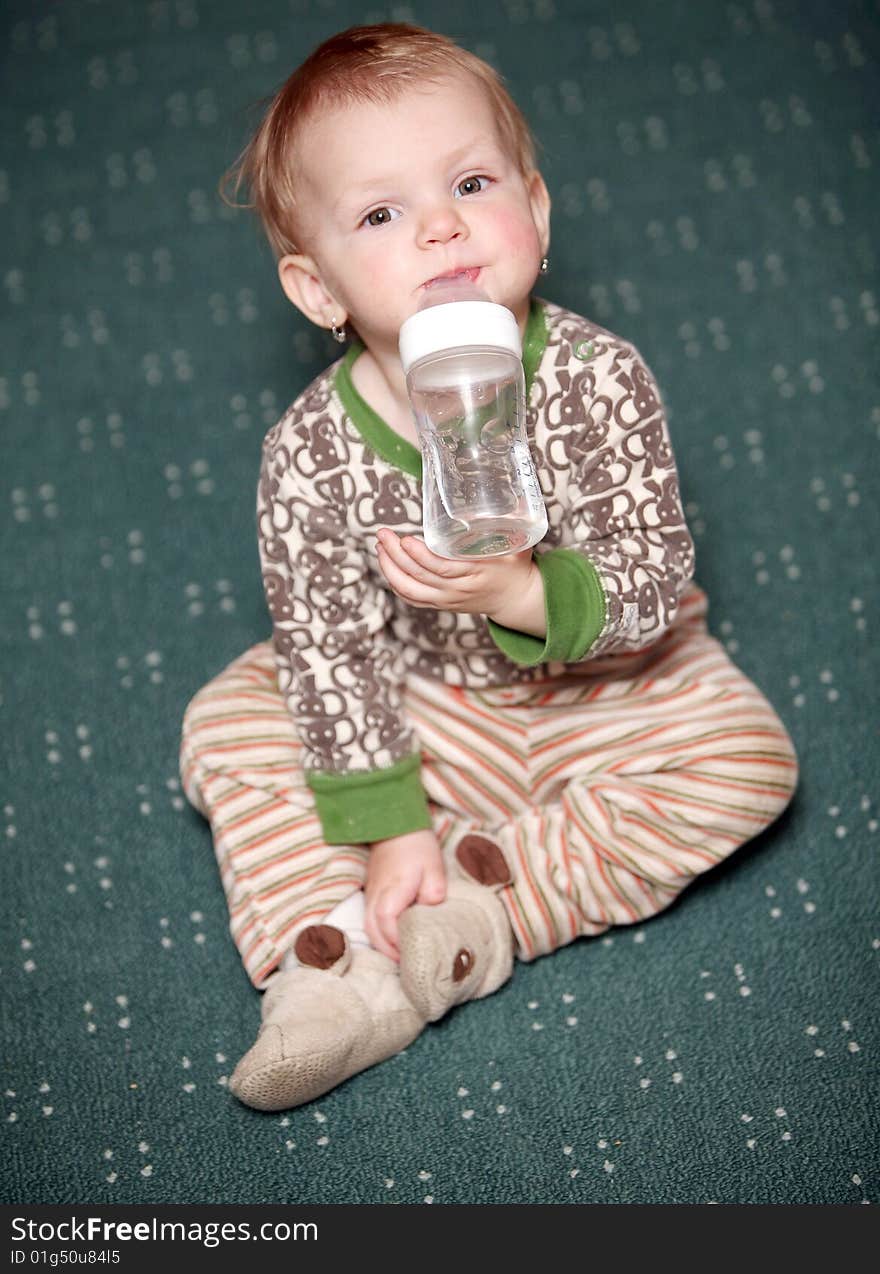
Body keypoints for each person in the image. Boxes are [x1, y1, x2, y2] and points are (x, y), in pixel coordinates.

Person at [180, 22, 798, 1112]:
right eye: (380, 213)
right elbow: (328, 643)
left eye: (470, 181)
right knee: (230, 718)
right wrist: (389, 819)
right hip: (423, 698)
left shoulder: (600, 377)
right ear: (318, 289)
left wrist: (523, 590)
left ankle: (484, 914)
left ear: (538, 212)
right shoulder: (310, 453)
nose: (440, 226)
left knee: (750, 764)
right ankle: (335, 972)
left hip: (609, 683)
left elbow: (652, 576)